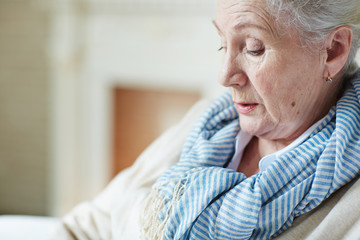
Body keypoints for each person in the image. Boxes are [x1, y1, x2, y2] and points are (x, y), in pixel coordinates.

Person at [56, 0, 360, 239]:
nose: (224, 75)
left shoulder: (351, 203)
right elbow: (86, 227)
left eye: (253, 48)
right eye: (222, 44)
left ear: (333, 50)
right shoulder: (207, 123)